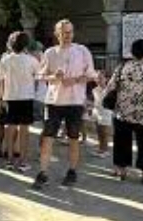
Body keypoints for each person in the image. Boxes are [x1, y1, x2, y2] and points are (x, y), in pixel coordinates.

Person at [34, 19, 97, 188]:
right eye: (63, 33)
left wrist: (76, 80)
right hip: (54, 101)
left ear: (73, 33)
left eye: (69, 32)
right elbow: (40, 75)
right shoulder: (49, 53)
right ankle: (42, 172)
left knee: (73, 138)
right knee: (48, 137)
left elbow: (91, 75)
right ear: (57, 34)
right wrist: (54, 77)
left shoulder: (82, 51)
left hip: (75, 101)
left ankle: (72, 171)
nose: (66, 35)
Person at [107, 39, 143, 184]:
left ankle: (121, 170)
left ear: (131, 52)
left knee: (121, 141)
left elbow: (111, 86)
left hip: (123, 111)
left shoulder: (122, 67)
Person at [0, 31, 40, 172]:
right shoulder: (32, 60)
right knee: (24, 130)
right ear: (26, 44)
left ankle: (9, 160)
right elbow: (37, 79)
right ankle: (23, 162)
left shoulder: (5, 59)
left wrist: (1, 98)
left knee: (10, 128)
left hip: (9, 97)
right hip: (26, 97)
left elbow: (0, 81)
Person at [89, 71, 114, 156]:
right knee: (99, 132)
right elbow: (96, 101)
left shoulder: (109, 89)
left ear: (106, 79)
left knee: (104, 132)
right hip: (96, 112)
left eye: (101, 78)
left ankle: (105, 150)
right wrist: (90, 106)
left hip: (105, 113)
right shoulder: (94, 90)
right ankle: (100, 148)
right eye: (97, 78)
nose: (98, 80)